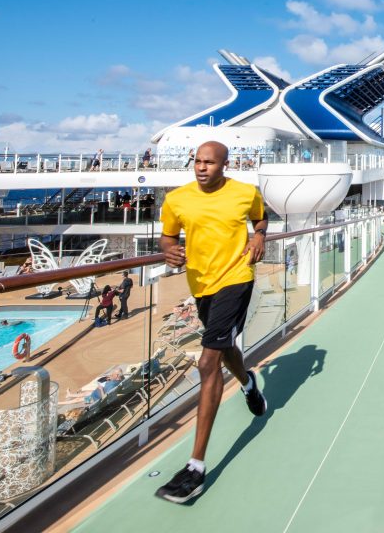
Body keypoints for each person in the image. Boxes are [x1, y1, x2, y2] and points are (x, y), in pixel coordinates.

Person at [154, 140, 268, 504]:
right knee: (224, 348)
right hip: (201, 284)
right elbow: (168, 234)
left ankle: (195, 468)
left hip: (237, 279)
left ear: (224, 165)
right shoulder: (177, 199)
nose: (201, 168)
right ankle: (249, 382)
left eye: (209, 162)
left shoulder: (245, 192)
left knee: (207, 361)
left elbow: (260, 217)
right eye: (197, 161)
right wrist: (166, 249)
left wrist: (259, 235)